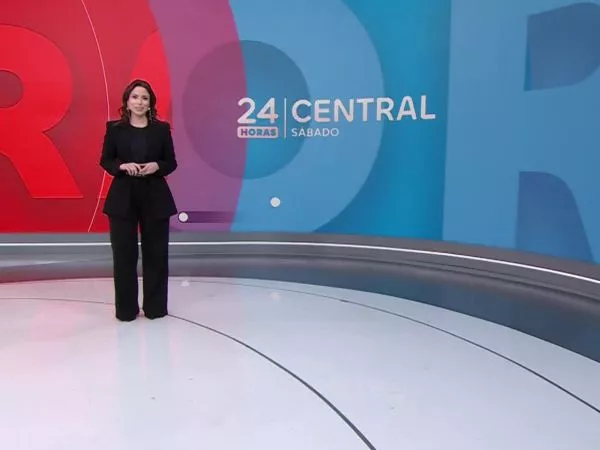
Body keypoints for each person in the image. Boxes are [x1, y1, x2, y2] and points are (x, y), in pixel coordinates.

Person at [100, 79, 178, 321]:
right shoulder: (114, 129)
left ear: (150, 103)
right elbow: (106, 160)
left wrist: (157, 166)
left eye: (145, 98)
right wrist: (122, 166)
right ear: (127, 101)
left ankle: (155, 308)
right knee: (124, 255)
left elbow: (171, 162)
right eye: (135, 97)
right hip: (123, 197)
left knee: (156, 254)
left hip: (155, 196)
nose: (140, 102)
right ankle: (126, 310)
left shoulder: (161, 129)